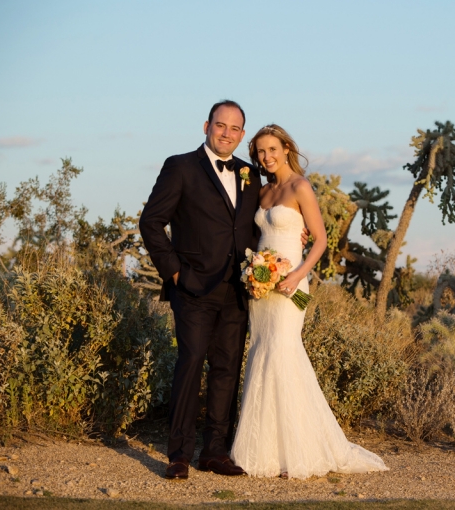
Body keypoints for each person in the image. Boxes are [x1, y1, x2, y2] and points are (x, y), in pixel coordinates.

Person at [139, 101, 305, 480]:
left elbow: (256, 224)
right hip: (193, 287)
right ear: (206, 126)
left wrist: (295, 233)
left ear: (242, 135)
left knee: (227, 369)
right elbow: (151, 222)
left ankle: (214, 451)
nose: (226, 133)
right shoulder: (180, 166)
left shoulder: (250, 173)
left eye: (234, 128)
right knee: (191, 362)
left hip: (239, 288)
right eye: (220, 125)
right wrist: (175, 273)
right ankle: (179, 454)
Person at [230, 124, 388, 479]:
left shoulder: (301, 187)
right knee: (261, 353)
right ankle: (266, 451)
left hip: (290, 285)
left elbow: (319, 240)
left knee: (285, 352)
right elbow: (258, 233)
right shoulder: (264, 190)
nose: (266, 157)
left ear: (286, 148)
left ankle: (299, 451)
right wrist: (257, 270)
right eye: (260, 152)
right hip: (262, 287)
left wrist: (297, 274)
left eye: (272, 150)